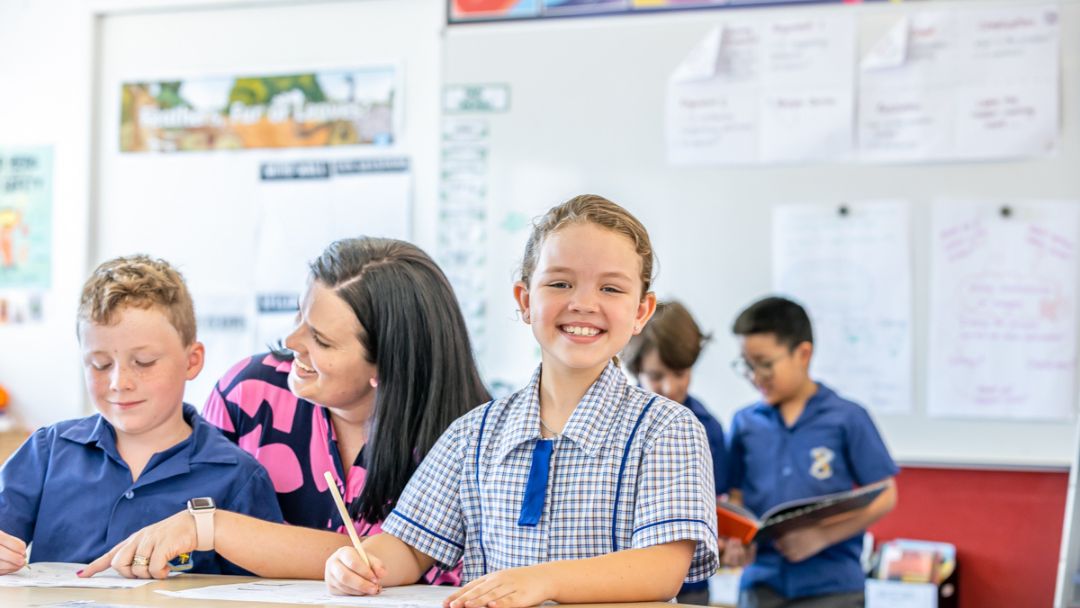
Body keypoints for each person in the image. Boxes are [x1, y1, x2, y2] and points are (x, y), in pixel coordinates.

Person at [325, 194, 719, 608]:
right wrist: (361, 562)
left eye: (610, 287)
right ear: (525, 300)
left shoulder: (669, 429)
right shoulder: (472, 434)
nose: (583, 303)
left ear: (641, 311)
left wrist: (544, 581)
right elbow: (411, 547)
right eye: (560, 283)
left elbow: (661, 569)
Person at [81, 237, 489, 581]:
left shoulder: (471, 439)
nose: (292, 341)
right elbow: (183, 519)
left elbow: (387, 559)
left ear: (387, 365)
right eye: (299, 316)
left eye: (322, 340)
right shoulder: (250, 393)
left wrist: (215, 526)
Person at [0, 255, 281, 575]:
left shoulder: (239, 477)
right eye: (100, 364)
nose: (120, 383)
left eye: (144, 362)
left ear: (192, 361)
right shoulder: (47, 451)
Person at [724, 296, 898, 608]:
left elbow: (886, 495)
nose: (754, 376)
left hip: (832, 586)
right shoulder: (743, 422)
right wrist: (737, 540)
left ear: (803, 354)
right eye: (747, 365)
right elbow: (734, 496)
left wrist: (822, 536)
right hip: (760, 584)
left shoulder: (847, 417)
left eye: (765, 364)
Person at [623, 300, 728, 606]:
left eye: (680, 373)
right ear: (636, 369)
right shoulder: (615, 427)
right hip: (624, 582)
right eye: (656, 376)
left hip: (691, 586)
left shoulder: (709, 429)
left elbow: (721, 507)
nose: (669, 387)